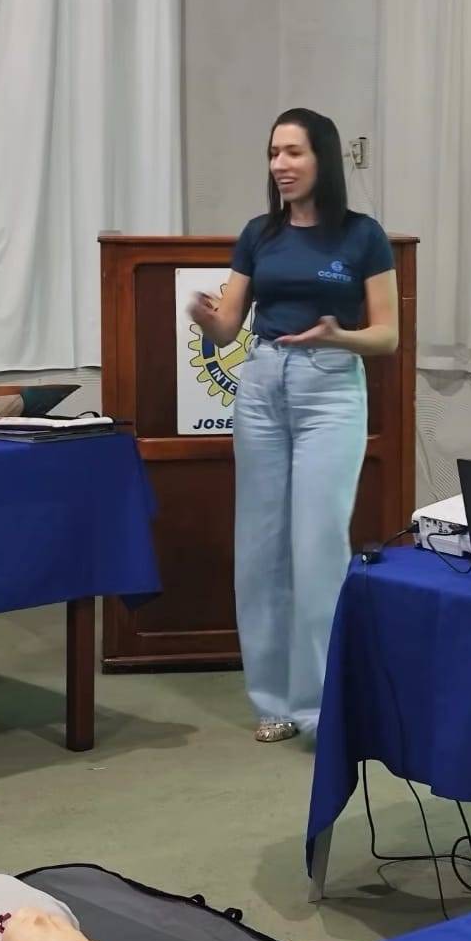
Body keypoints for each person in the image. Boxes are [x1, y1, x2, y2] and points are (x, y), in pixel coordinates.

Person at [188, 108, 398, 742]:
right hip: (261, 386)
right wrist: (207, 319)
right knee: (261, 549)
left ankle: (321, 706)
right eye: (273, 153)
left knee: (319, 546)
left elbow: (387, 335)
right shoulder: (259, 234)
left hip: (329, 390)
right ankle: (274, 702)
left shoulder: (362, 236)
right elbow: (229, 325)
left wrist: (340, 337)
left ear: (322, 159)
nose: (280, 164)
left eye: (293, 152)